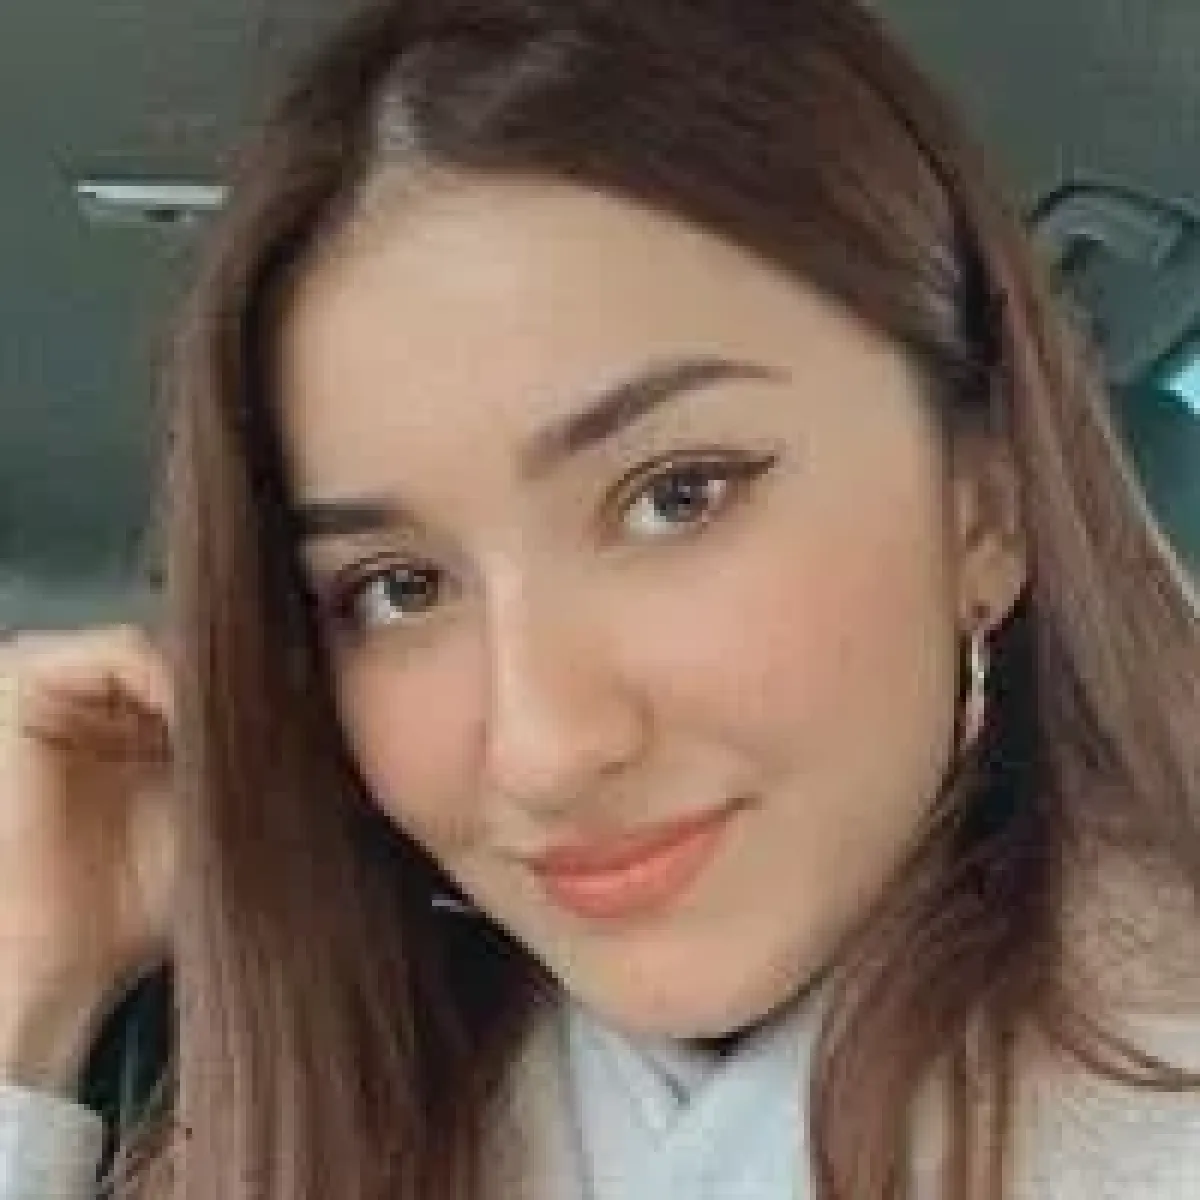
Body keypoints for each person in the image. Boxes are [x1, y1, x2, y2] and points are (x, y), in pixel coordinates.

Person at [2, 0, 1198, 1195]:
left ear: (984, 507)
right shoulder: (327, 1116)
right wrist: (25, 1001)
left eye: (677, 497)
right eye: (399, 588)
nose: (546, 752)